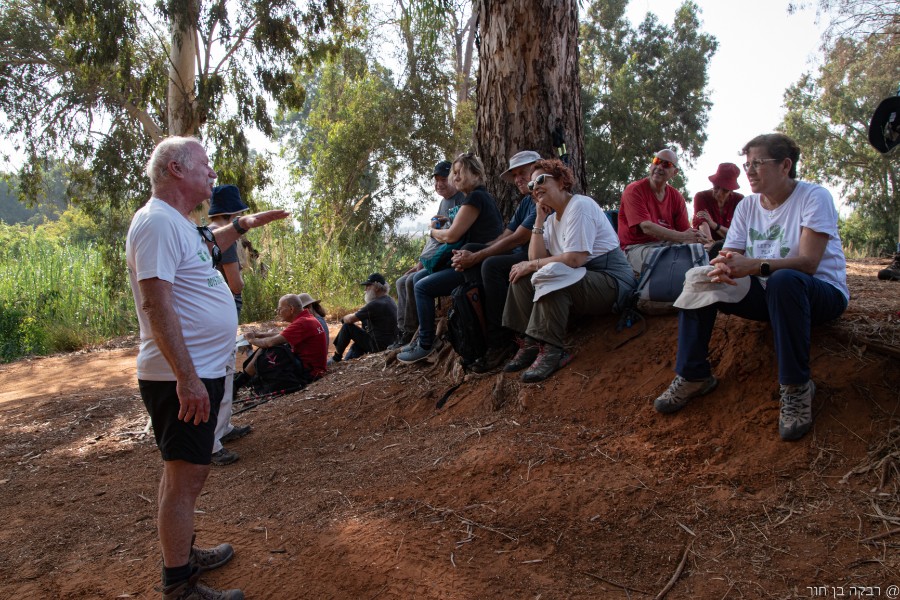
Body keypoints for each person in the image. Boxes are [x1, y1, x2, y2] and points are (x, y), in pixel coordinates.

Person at [125, 135, 288, 600]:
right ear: (176, 169)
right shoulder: (156, 223)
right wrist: (187, 377)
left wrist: (244, 224)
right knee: (185, 477)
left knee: (182, 474)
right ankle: (179, 583)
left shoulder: (176, 223)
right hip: (179, 375)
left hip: (194, 370)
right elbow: (156, 304)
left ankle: (183, 554)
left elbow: (209, 244)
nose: (212, 173)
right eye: (205, 164)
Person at [654, 133, 849, 442]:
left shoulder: (814, 197)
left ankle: (797, 387)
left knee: (784, 281)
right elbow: (732, 254)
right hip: (768, 293)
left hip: (817, 293)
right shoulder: (747, 207)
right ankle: (694, 374)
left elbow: (809, 263)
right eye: (747, 164)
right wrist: (722, 264)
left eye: (758, 163)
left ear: (785, 165)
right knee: (699, 276)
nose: (750, 171)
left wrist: (755, 266)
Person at [502, 159, 636, 382]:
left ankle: (553, 350)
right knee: (521, 278)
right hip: (582, 277)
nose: (536, 188)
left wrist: (533, 265)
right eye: (532, 186)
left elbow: (574, 258)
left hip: (612, 281)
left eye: (541, 180)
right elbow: (534, 258)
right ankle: (531, 341)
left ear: (562, 181)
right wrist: (539, 219)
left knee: (550, 274)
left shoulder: (580, 206)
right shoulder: (552, 219)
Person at [397, 152, 504, 364]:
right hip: (469, 259)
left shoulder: (475, 197)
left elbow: (452, 235)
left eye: (459, 172)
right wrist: (448, 219)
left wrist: (432, 231)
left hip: (474, 265)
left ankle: (426, 344)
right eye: (453, 173)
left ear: (475, 173)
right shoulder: (476, 197)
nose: (455, 177)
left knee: (421, 287)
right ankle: (423, 338)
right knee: (418, 279)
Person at [449, 150, 540, 372]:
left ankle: (500, 340)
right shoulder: (525, 202)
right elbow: (505, 235)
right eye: (515, 175)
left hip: (534, 254)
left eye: (523, 173)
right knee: (470, 249)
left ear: (538, 170)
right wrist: (471, 254)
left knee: (489, 264)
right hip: (517, 252)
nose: (519, 179)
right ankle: (480, 333)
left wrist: (478, 257)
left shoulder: (540, 199)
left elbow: (519, 238)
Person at [394, 161, 465, 347]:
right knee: (401, 281)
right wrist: (420, 262)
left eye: (444, 180)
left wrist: (436, 230)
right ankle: (403, 330)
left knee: (412, 282)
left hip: (449, 260)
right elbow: (433, 239)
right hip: (436, 258)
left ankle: (414, 332)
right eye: (436, 180)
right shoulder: (444, 202)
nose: (439, 184)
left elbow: (449, 236)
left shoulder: (462, 199)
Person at [206, 185, 252, 467]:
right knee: (220, 372)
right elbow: (235, 283)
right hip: (222, 308)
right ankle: (211, 441)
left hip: (207, 311)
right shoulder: (226, 238)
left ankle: (221, 430)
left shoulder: (204, 231)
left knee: (223, 371)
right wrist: (243, 283)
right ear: (234, 214)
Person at [618, 149, 710, 274]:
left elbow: (685, 233)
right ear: (651, 165)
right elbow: (646, 227)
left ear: (675, 172)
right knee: (673, 263)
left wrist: (698, 238)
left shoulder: (676, 197)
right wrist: (684, 236)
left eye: (666, 165)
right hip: (635, 248)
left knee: (700, 254)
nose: (659, 167)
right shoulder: (634, 190)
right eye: (657, 161)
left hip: (666, 245)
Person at [242, 294, 328, 382]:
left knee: (267, 349)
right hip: (312, 368)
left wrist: (251, 340)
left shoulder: (302, 323)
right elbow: (282, 334)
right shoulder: (306, 318)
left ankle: (241, 380)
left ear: (291, 309)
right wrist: (258, 335)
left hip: (310, 372)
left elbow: (269, 343)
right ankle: (246, 377)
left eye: (280, 309)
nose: (278, 312)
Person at [331, 273, 398, 363]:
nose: (365, 289)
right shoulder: (389, 300)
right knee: (362, 330)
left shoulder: (375, 304)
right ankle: (348, 359)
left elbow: (349, 319)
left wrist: (343, 318)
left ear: (376, 288)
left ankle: (336, 357)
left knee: (347, 327)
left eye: (368, 286)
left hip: (379, 347)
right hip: (390, 343)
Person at [692, 163, 744, 257]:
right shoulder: (701, 197)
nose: (719, 193)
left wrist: (713, 224)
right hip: (706, 245)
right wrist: (710, 242)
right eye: (716, 187)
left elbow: (737, 235)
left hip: (730, 247)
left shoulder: (739, 200)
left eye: (725, 190)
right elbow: (702, 222)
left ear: (731, 191)